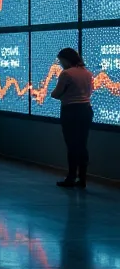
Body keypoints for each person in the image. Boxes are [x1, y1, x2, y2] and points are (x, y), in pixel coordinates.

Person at [51, 47, 94, 188]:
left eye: (61, 61)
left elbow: (56, 94)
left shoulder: (66, 74)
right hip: (86, 111)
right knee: (82, 145)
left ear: (67, 60)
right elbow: (89, 93)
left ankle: (71, 177)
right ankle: (82, 179)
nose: (60, 64)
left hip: (70, 112)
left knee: (71, 146)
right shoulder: (88, 73)